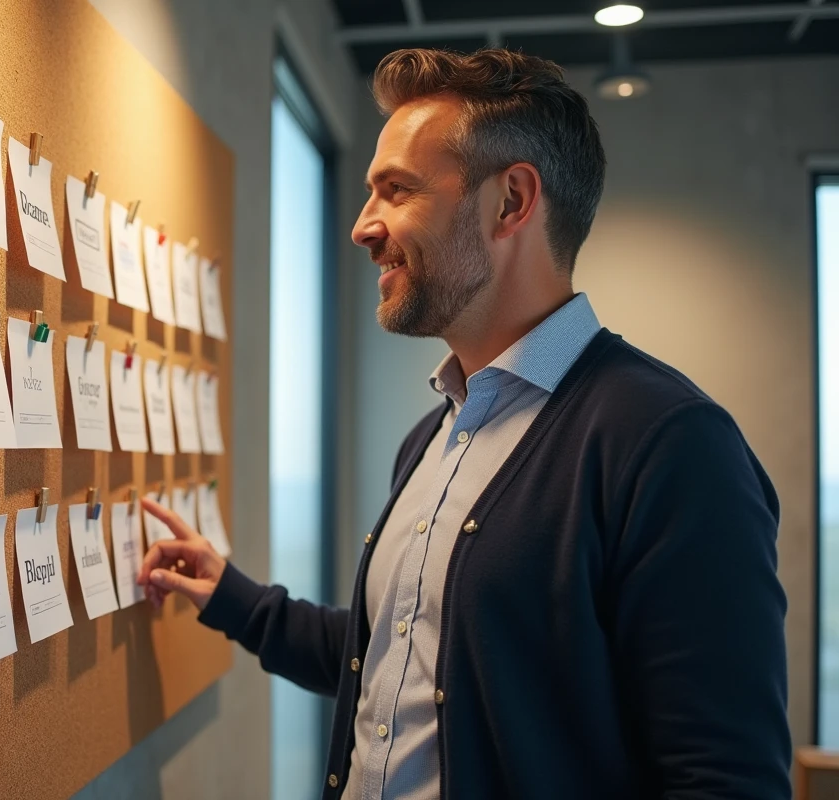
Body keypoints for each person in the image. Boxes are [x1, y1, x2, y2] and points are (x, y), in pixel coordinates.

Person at [138, 47, 791, 799]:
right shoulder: (435, 435)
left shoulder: (669, 443)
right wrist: (232, 596)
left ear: (510, 201)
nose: (362, 227)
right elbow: (399, 651)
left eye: (397, 191)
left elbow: (726, 780)